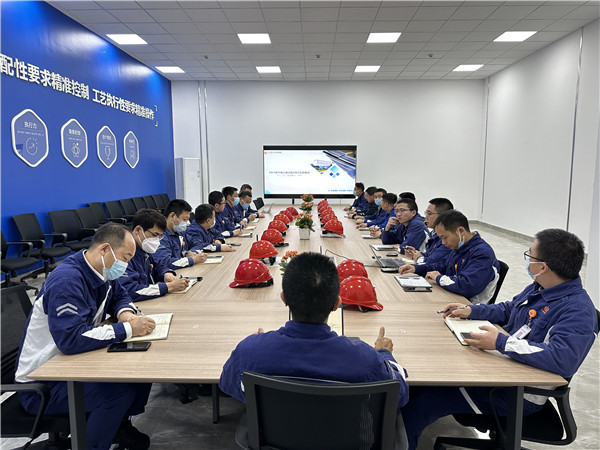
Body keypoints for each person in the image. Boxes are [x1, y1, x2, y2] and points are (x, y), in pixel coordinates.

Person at [402, 228, 599, 450]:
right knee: (422, 378)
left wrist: (501, 342)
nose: (527, 260)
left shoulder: (578, 311)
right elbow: (509, 309)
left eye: (530, 255)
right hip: (499, 369)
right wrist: (472, 310)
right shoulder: (542, 286)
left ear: (543, 267)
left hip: (515, 392)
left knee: (420, 403)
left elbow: (562, 359)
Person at [15, 222, 156, 450]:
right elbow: (71, 340)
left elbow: (120, 295)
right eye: (125, 257)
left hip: (70, 365)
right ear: (105, 249)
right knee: (118, 392)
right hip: (43, 384)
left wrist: (126, 314)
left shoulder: (100, 269)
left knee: (140, 371)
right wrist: (128, 329)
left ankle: (116, 425)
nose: (126, 264)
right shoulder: (68, 280)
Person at [219, 252, 409, 408]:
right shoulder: (365, 358)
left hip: (271, 438)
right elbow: (400, 395)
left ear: (284, 298)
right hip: (344, 437)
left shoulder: (250, 351)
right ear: (337, 304)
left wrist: (255, 346)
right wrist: (385, 355)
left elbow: (227, 384)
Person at [398, 210, 499, 304]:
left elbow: (467, 286)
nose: (443, 242)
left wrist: (439, 278)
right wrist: (416, 268)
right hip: (451, 296)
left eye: (445, 237)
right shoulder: (459, 247)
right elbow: (442, 266)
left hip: (468, 305)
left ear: (460, 231)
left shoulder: (482, 253)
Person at [120, 209, 190, 302]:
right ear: (138, 230)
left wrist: (166, 274)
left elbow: (157, 266)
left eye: (159, 236)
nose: (157, 240)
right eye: (155, 235)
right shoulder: (124, 256)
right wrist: (168, 287)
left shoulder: (144, 249)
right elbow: (129, 291)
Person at [153, 199, 207, 270]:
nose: (187, 223)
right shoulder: (160, 236)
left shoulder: (180, 232)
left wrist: (190, 252)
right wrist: (193, 260)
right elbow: (165, 262)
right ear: (172, 216)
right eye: (184, 219)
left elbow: (197, 244)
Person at [404, 197, 453, 266]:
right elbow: (430, 253)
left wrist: (419, 258)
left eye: (429, 213)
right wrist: (415, 253)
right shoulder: (434, 233)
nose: (426, 217)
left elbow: (433, 261)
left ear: (442, 216)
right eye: (426, 213)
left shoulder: (448, 238)